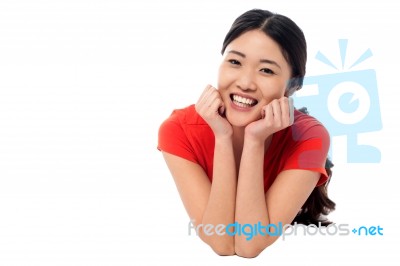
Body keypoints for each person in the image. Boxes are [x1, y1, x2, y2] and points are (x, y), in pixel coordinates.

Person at [157, 9, 335, 258]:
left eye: (266, 70)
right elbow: (220, 242)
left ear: (292, 85)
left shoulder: (310, 137)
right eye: (235, 62)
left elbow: (249, 245)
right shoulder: (178, 130)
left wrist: (254, 140)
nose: (245, 82)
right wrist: (222, 137)